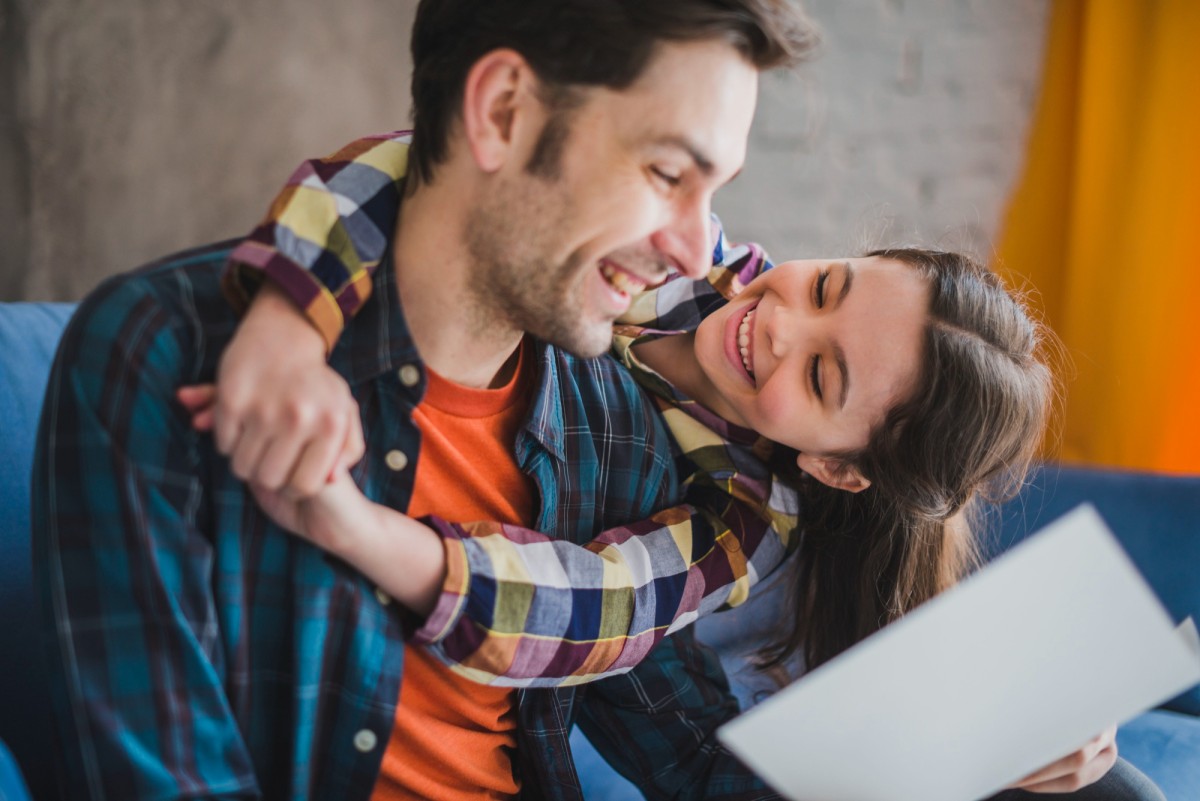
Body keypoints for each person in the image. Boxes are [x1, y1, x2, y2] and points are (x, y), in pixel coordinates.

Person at [30, 3, 1161, 801]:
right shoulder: (169, 354)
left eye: (708, 188)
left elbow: (613, 657)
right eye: (669, 173)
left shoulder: (649, 459)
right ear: (505, 114)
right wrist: (288, 312)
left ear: (839, 465)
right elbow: (398, 170)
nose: (701, 251)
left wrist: (970, 764)